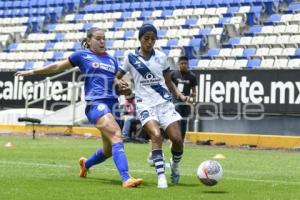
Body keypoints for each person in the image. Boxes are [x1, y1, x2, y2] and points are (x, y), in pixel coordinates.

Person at [15, 27, 143, 188]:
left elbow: (116, 83)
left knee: (109, 150)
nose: (102, 41)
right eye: (98, 38)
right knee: (117, 135)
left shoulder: (112, 60)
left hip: (114, 105)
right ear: (89, 40)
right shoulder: (82, 56)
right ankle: (126, 179)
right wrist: (31, 72)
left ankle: (85, 164)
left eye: (104, 38)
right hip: (96, 105)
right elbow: (56, 67)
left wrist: (125, 88)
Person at [115, 23, 190, 189]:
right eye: (146, 38)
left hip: (164, 103)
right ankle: (161, 177)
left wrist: (179, 95)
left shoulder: (162, 57)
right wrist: (123, 86)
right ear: (140, 39)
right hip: (145, 104)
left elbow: (168, 81)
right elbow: (117, 77)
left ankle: (175, 166)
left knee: (177, 139)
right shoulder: (130, 58)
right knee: (156, 136)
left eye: (153, 39)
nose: (149, 42)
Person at [171, 56, 197, 139]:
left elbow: (194, 91)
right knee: (176, 118)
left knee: (184, 122)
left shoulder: (192, 76)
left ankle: (181, 141)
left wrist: (192, 99)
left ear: (188, 64)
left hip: (185, 102)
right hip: (175, 101)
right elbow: (169, 86)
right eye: (182, 63)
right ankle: (175, 139)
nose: (183, 65)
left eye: (185, 63)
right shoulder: (173, 74)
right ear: (179, 64)